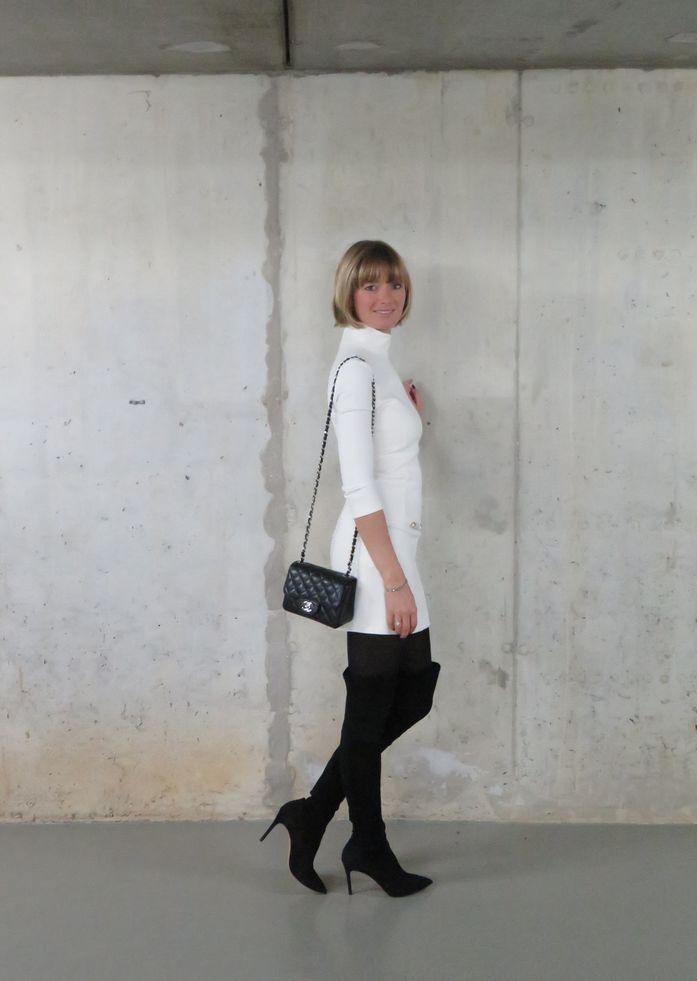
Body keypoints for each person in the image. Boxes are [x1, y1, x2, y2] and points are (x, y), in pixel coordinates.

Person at [261, 240, 441, 897]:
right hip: (375, 558)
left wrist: (412, 417)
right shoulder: (356, 370)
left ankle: (312, 815)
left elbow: (390, 463)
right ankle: (367, 842)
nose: (386, 296)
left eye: (394, 283)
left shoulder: (379, 365)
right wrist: (392, 581)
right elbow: (360, 487)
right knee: (371, 706)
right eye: (371, 285)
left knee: (411, 693)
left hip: (396, 551)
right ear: (349, 293)